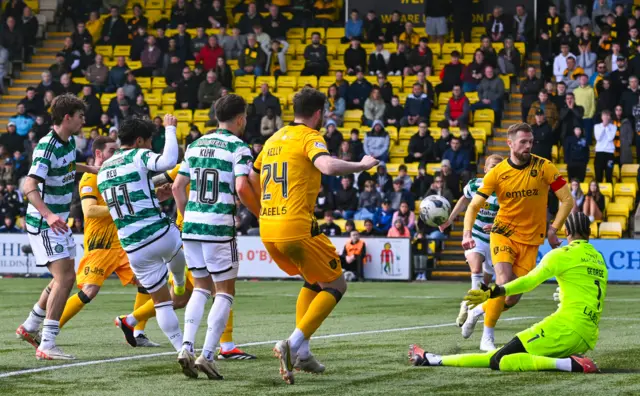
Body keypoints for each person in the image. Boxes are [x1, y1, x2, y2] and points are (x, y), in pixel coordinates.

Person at [246, 87, 378, 383]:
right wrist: (362, 165)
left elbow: (252, 177)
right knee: (337, 284)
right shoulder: (310, 136)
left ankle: (303, 353)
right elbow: (327, 165)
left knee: (313, 279)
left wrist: (263, 210)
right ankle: (291, 345)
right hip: (297, 226)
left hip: (268, 227)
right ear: (318, 114)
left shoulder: (273, 139)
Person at [410, 213, 604, 375]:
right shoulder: (598, 258)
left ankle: (569, 364)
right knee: (499, 356)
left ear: (566, 232)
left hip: (565, 329)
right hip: (587, 334)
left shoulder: (562, 254)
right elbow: (589, 289)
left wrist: (498, 291)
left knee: (500, 360)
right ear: (589, 232)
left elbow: (529, 282)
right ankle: (433, 359)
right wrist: (563, 294)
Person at [168, 94, 259, 378]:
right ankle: (208, 354)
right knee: (225, 292)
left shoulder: (195, 145)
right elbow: (243, 188)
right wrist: (261, 214)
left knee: (201, 288)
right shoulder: (239, 147)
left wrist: (188, 216)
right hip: (219, 226)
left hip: (192, 226)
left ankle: (186, 347)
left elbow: (176, 188)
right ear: (241, 118)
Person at [461, 123, 574, 352]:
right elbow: (473, 206)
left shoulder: (545, 167)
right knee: (503, 282)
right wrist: (466, 233)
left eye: (530, 141)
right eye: (523, 142)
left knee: (511, 297)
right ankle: (487, 338)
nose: (528, 146)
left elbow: (567, 200)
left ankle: (477, 311)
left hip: (531, 239)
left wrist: (553, 228)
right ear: (510, 143)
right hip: (503, 233)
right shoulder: (497, 173)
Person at [15, 94, 99, 360]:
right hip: (45, 223)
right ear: (67, 117)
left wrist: (95, 169)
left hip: (57, 221)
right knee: (65, 279)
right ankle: (47, 343)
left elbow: (69, 167)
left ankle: (30, 327)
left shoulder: (69, 141)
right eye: (80, 116)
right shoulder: (47, 146)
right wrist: (49, 215)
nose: (84, 121)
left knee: (61, 278)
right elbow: (29, 185)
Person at [95, 115, 187, 355]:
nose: (149, 147)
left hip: (133, 246)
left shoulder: (103, 170)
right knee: (180, 260)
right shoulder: (138, 155)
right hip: (159, 233)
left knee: (162, 303)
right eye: (148, 142)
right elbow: (168, 160)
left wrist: (155, 195)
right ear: (138, 140)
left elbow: (129, 198)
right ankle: (179, 282)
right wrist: (170, 128)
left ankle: (182, 351)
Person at [55, 136, 158, 347]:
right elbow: (90, 211)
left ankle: (137, 332)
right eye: (112, 151)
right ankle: (50, 330)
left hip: (121, 244)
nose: (117, 155)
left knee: (148, 282)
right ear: (98, 154)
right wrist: (125, 207)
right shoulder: (90, 178)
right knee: (89, 292)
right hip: (100, 245)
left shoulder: (116, 176)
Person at [440, 154, 503, 326]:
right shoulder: (476, 184)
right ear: (485, 169)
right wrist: (449, 220)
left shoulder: (507, 190)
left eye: (499, 166)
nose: (495, 169)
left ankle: (467, 306)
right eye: (492, 166)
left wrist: (497, 226)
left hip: (496, 240)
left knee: (485, 285)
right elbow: (464, 200)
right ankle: (472, 315)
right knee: (476, 268)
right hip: (475, 235)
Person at [593, 110, 616, 183]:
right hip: (599, 152)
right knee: (598, 176)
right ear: (601, 117)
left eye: (607, 115)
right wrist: (603, 126)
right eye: (604, 115)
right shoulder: (597, 126)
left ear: (609, 117)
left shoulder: (613, 127)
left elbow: (610, 138)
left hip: (610, 153)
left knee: (609, 176)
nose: (606, 117)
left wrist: (606, 127)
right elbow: (598, 138)